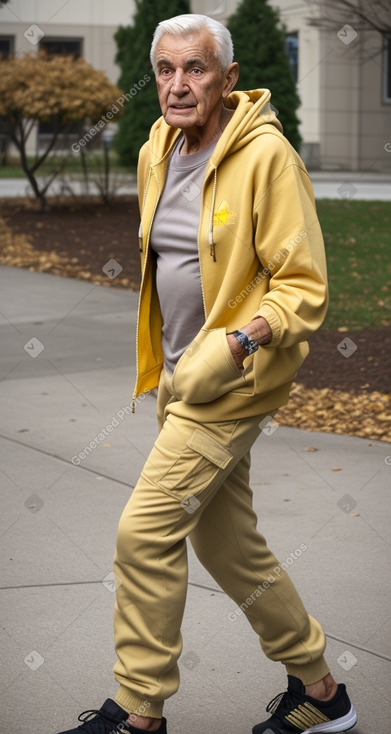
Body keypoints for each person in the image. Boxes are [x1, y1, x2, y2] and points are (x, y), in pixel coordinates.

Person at [58, 14, 357, 734]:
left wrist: (236, 344)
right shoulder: (156, 150)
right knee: (228, 546)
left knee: (144, 534)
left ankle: (138, 711)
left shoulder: (267, 157)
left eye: (194, 69)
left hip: (230, 386)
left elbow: (302, 286)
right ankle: (322, 695)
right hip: (179, 383)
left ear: (227, 80)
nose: (177, 84)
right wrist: (175, 364)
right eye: (165, 69)